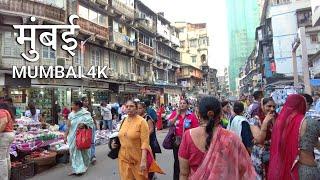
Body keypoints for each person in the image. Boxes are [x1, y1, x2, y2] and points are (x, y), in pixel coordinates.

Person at [178, 96, 257, 179]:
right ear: (220, 114)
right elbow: (243, 170)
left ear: (198, 114)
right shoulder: (231, 137)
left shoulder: (188, 136)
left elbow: (184, 174)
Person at [269, 94, 320, 179]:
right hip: (306, 169)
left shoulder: (279, 124)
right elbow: (315, 143)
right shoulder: (310, 123)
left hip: (285, 170)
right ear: (303, 105)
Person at [112, 100, 163, 180]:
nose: (129, 108)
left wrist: (143, 161)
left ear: (136, 109)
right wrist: (115, 144)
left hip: (138, 159)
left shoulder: (142, 122)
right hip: (124, 159)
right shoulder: (124, 120)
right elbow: (121, 135)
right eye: (127, 106)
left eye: (131, 106)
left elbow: (145, 143)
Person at [167, 99, 199, 180]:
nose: (182, 105)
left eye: (184, 103)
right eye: (180, 103)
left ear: (187, 105)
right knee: (177, 162)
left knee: (187, 162)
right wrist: (176, 115)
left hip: (188, 142)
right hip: (177, 142)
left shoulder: (191, 116)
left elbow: (196, 129)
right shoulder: (175, 113)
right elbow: (169, 124)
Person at [248, 97, 276, 179]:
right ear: (262, 106)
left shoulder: (276, 118)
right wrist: (265, 123)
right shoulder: (254, 120)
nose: (272, 109)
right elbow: (260, 140)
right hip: (260, 156)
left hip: (274, 155)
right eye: (269, 106)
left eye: (274, 107)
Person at [64, 100, 94, 176]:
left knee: (83, 151)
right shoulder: (71, 114)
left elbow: (91, 123)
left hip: (82, 136)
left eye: (72, 105)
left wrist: (84, 124)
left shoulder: (85, 113)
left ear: (77, 106)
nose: (71, 106)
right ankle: (77, 169)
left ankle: (83, 166)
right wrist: (65, 136)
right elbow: (68, 126)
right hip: (72, 137)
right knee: (73, 152)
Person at [137, 102, 162, 179]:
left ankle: (152, 174)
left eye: (140, 108)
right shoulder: (137, 118)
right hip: (139, 143)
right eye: (137, 108)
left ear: (144, 109)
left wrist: (144, 136)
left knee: (150, 159)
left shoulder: (147, 117)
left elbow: (151, 129)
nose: (138, 110)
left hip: (148, 142)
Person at [0, 102, 15, 180]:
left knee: (1, 159)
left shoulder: (1, 111)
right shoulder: (7, 112)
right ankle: (7, 176)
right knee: (6, 157)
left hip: (4, 135)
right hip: (10, 134)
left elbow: (3, 122)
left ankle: (3, 178)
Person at [81, 97, 97, 164]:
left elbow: (93, 117)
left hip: (91, 127)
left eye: (87, 101)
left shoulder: (90, 108)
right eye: (85, 101)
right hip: (84, 128)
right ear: (82, 102)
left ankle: (93, 156)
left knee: (92, 141)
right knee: (85, 142)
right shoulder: (80, 110)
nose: (86, 102)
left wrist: (96, 125)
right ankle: (86, 157)